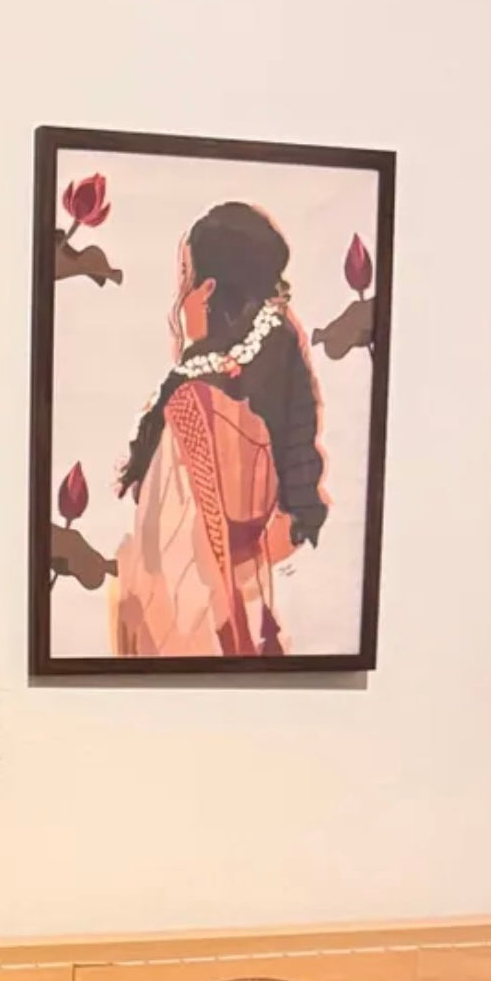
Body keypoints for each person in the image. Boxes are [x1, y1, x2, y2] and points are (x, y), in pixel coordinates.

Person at [110, 202, 329, 658]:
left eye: (185, 274)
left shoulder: (194, 404)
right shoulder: (265, 394)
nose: (179, 294)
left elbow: (168, 564)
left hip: (196, 627)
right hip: (257, 614)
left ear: (207, 289)